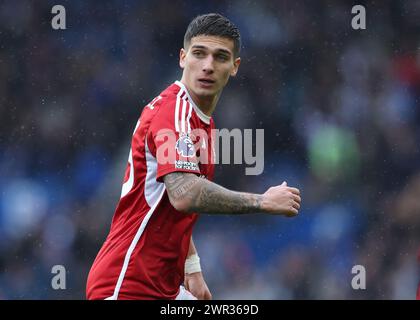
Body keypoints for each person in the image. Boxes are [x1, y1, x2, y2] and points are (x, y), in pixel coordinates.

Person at [86, 13, 301, 300]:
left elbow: (170, 203)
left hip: (160, 285)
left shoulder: (199, 121)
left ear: (234, 67)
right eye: (199, 54)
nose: (208, 66)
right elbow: (184, 195)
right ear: (182, 58)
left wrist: (192, 268)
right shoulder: (173, 113)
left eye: (220, 57)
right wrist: (262, 201)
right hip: (128, 284)